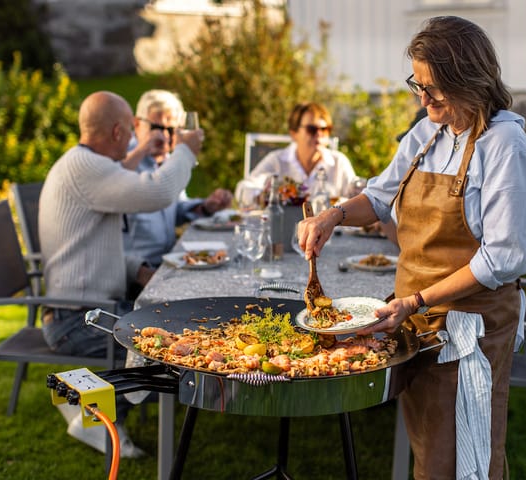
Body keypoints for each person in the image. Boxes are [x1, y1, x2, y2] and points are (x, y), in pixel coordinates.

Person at [298, 16, 526, 479]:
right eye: (417, 84)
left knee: (463, 461)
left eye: (433, 88)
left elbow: (500, 260)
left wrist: (417, 299)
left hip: (468, 331)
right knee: (430, 452)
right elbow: (379, 197)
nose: (423, 97)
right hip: (416, 325)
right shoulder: (429, 133)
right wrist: (331, 216)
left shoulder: (505, 147)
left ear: (468, 81)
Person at [39, 90, 202, 457]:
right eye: (131, 131)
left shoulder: (83, 164)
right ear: (117, 132)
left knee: (171, 326)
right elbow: (158, 191)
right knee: (165, 351)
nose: (134, 138)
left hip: (87, 308)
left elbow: (92, 236)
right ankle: (91, 415)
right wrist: (186, 149)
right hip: (75, 320)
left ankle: (90, 404)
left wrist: (139, 269)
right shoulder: (86, 167)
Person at [122, 89, 232, 269]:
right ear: (137, 125)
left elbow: (175, 209)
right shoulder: (125, 161)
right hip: (136, 271)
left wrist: (205, 206)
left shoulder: (168, 162)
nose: (164, 137)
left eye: (171, 130)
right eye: (156, 129)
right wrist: (142, 148)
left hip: (169, 262)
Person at [235, 102, 357, 203]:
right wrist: (261, 197)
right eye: (312, 129)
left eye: (325, 130)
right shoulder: (277, 161)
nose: (319, 134)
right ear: (294, 133)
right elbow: (243, 189)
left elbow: (357, 198)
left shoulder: (338, 162)